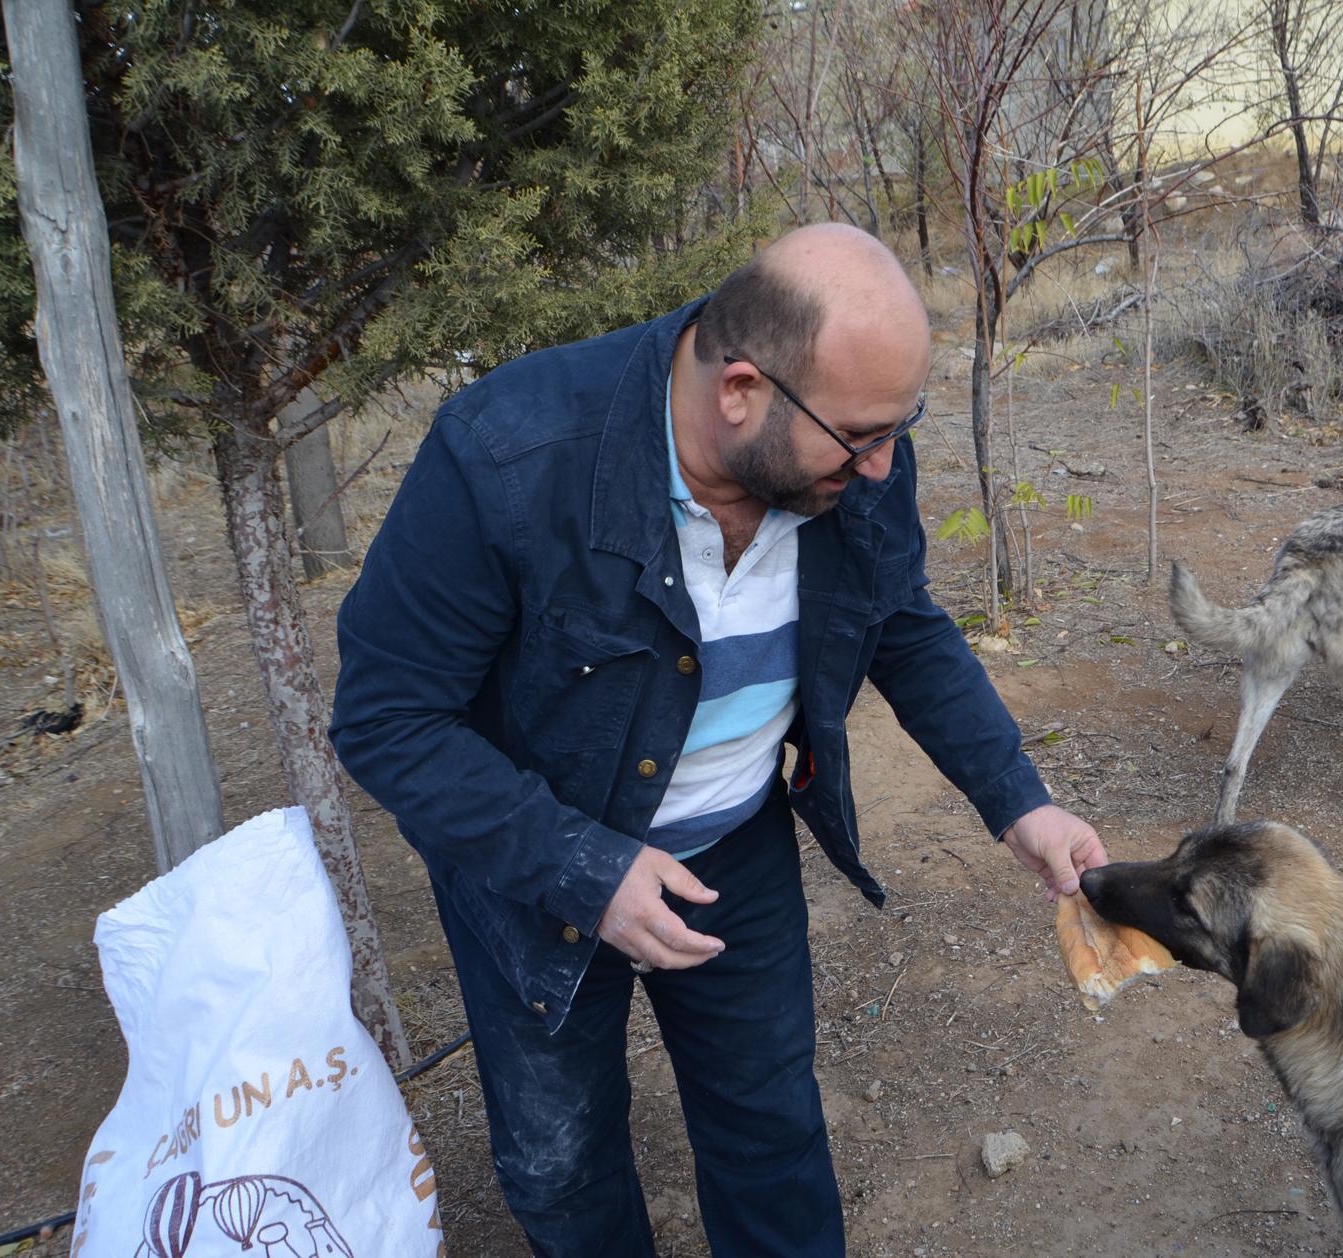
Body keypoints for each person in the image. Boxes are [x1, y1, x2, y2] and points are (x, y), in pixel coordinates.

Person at [329, 223, 1108, 1256]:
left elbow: (901, 623)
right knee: (562, 1161)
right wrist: (584, 868)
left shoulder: (845, 453)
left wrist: (1020, 799)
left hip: (732, 852)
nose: (881, 467)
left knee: (769, 1126)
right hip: (538, 871)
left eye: (896, 431)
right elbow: (388, 718)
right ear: (740, 390)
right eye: (860, 436)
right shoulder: (507, 454)